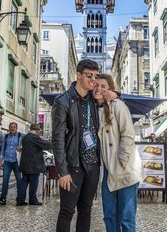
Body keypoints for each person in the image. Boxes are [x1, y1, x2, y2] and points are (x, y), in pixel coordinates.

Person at [52, 59, 117, 232]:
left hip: (93, 165)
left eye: (95, 76)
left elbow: (113, 97)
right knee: (67, 211)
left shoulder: (95, 99)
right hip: (73, 166)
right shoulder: (63, 102)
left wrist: (117, 94)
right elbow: (57, 139)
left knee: (86, 211)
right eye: (90, 75)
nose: (94, 80)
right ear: (79, 75)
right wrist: (62, 171)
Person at [93, 74, 143, 231]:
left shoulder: (118, 106)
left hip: (125, 169)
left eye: (103, 86)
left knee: (126, 219)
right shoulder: (94, 109)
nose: (99, 89)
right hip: (108, 171)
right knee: (109, 216)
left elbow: (128, 134)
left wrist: (121, 161)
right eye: (96, 85)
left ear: (110, 90)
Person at [17, 123, 52, 206]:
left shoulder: (25, 137)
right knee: (33, 183)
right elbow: (48, 145)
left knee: (24, 182)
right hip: (34, 165)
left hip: (25, 165)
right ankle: (33, 200)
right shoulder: (35, 138)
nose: (40, 132)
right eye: (39, 130)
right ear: (36, 130)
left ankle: (20, 200)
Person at [0, 122, 24, 205]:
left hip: (16, 162)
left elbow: (27, 145)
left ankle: (20, 199)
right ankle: (3, 198)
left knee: (19, 180)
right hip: (7, 161)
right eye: (11, 127)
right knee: (5, 180)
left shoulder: (21, 136)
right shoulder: (6, 136)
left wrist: (22, 148)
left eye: (14, 127)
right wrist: (0, 162)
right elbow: (2, 150)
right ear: (9, 128)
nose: (12, 128)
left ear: (16, 128)